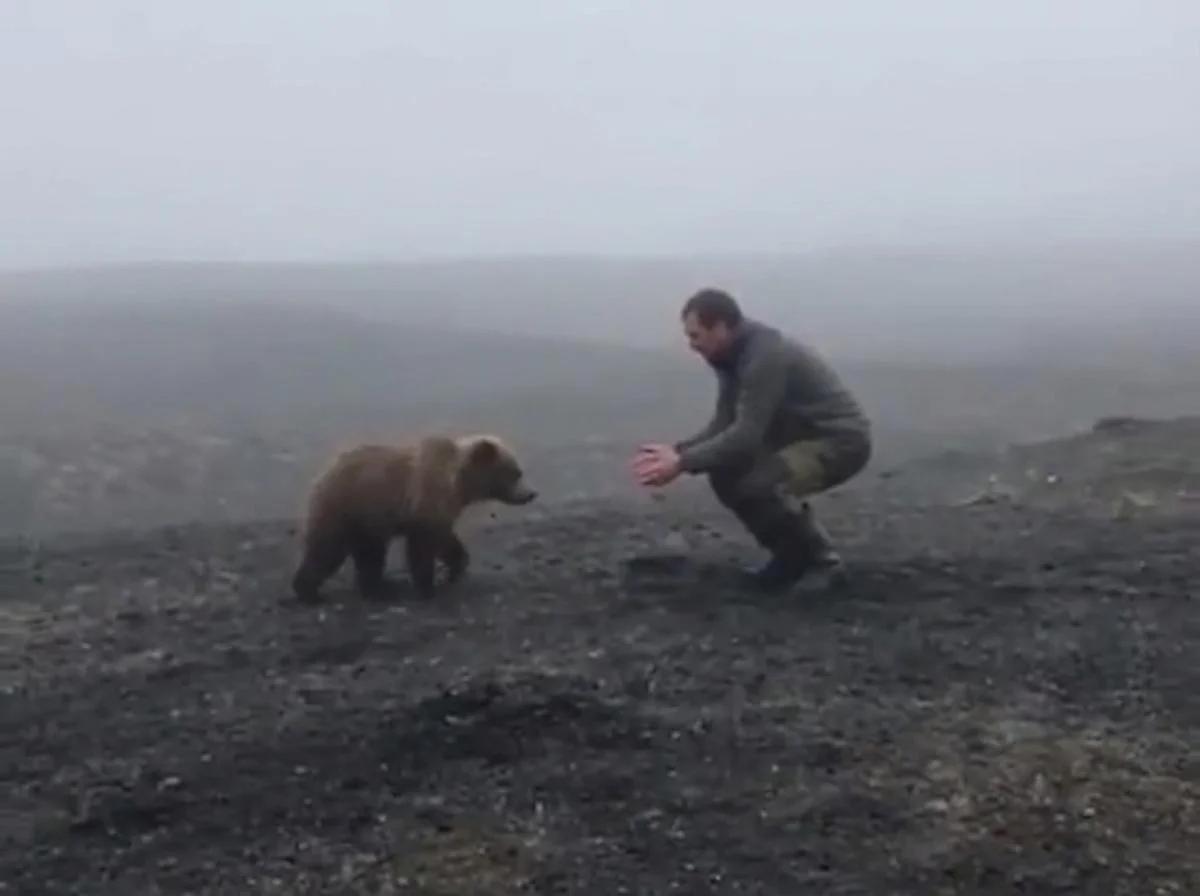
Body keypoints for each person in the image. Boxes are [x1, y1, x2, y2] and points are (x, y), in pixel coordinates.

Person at [631, 288, 872, 591]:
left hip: (838, 442)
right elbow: (725, 424)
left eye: (696, 335)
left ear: (720, 327)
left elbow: (745, 435)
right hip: (797, 439)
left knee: (763, 483)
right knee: (726, 472)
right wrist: (678, 452)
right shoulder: (732, 356)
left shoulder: (764, 356)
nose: (692, 345)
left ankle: (823, 562)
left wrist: (682, 463)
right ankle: (790, 559)